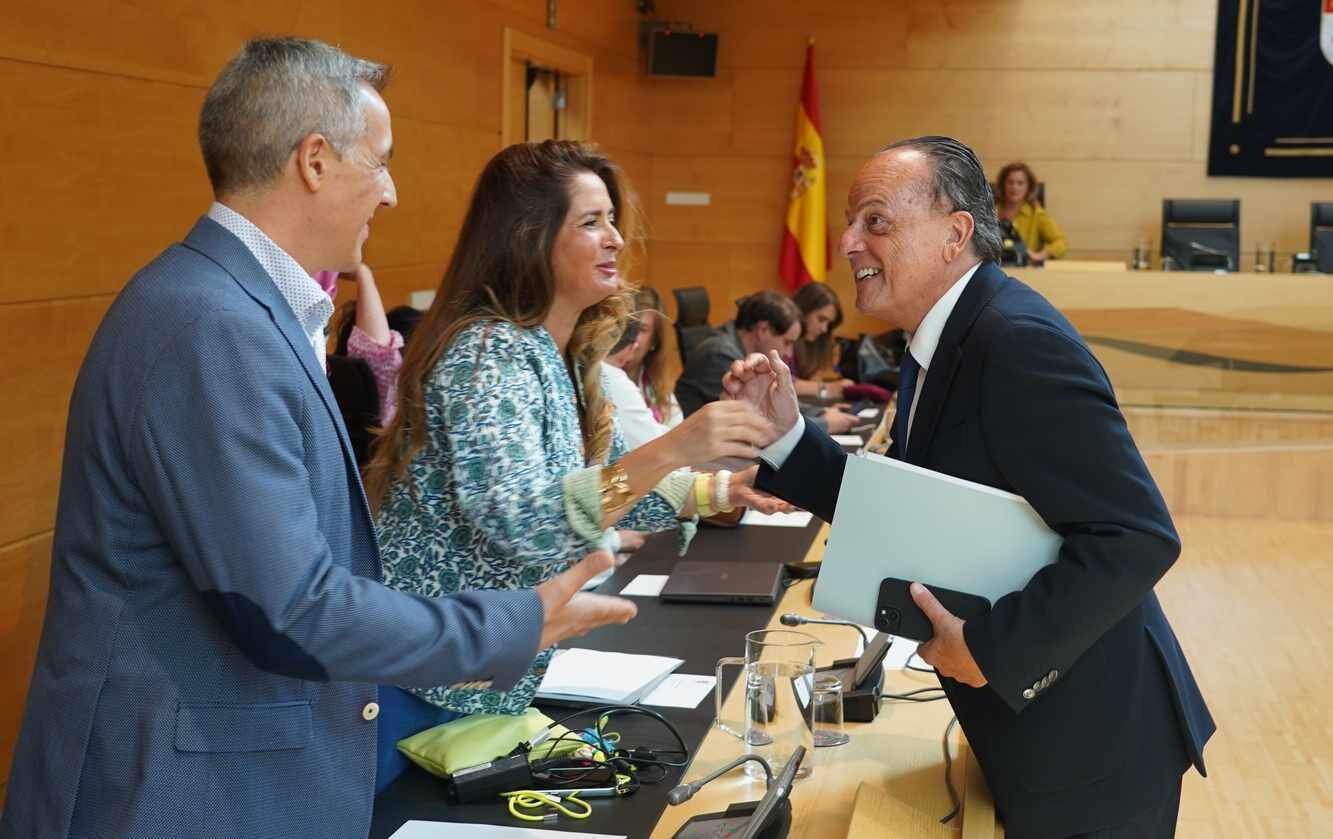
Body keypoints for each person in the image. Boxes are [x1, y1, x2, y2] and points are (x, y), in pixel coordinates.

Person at [0, 38, 638, 839]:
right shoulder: (211, 325)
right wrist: (505, 626)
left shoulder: (235, 305)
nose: (391, 193)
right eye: (381, 161)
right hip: (177, 795)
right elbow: (290, 604)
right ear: (313, 161)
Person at [723, 137, 1214, 838]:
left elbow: (1135, 537)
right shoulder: (944, 338)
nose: (848, 242)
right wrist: (785, 436)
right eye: (851, 222)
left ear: (954, 234)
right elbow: (905, 509)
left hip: (1093, 747)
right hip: (1041, 733)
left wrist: (990, 648)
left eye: (875, 220)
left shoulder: (1015, 342)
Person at [363, 140, 780, 784]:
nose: (615, 239)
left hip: (475, 683)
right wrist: (676, 446)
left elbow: (603, 489)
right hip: (418, 686)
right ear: (529, 238)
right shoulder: (486, 354)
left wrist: (722, 489)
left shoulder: (552, 352)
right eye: (591, 222)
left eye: (612, 219)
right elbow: (527, 523)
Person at [675, 289, 858, 432]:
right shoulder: (718, 355)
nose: (788, 353)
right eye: (787, 342)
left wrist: (820, 412)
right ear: (763, 330)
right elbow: (761, 418)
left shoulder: (736, 347)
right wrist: (824, 424)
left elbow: (771, 402)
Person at [604, 287, 682, 449]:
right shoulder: (605, 377)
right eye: (627, 327)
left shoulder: (657, 385)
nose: (632, 337)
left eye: (641, 330)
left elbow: (678, 432)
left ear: (654, 342)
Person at [788, 281, 854, 401]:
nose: (824, 329)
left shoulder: (808, 344)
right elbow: (780, 382)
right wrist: (827, 388)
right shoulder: (780, 336)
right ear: (803, 310)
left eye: (828, 324)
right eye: (821, 319)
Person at [995, 161, 1067, 264]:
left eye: (1020, 183)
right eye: (1010, 182)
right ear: (1003, 185)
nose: (1014, 187)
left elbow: (1061, 243)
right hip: (993, 268)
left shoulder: (1036, 214)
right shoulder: (990, 211)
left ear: (1028, 187)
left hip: (1024, 269)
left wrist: (1040, 255)